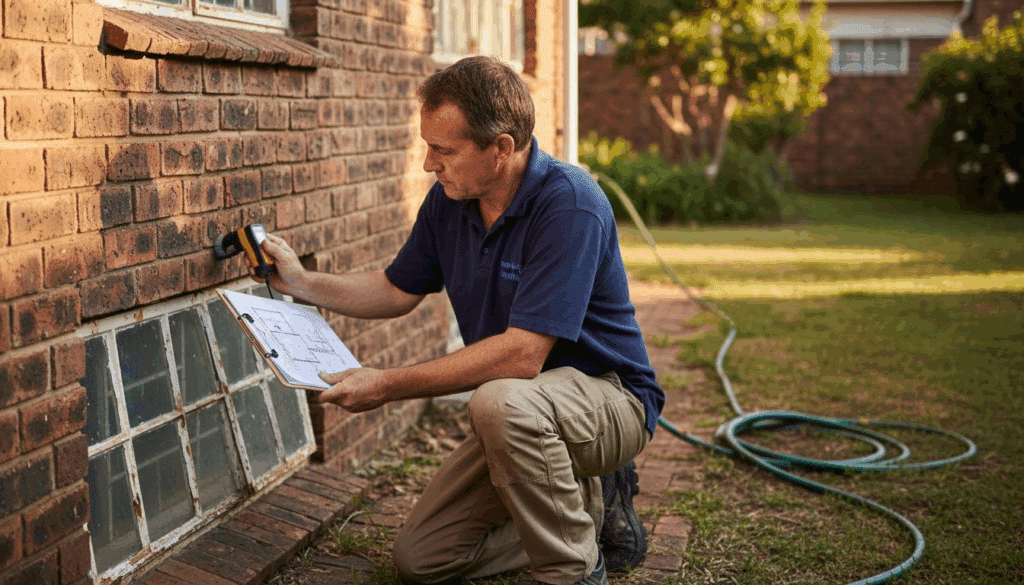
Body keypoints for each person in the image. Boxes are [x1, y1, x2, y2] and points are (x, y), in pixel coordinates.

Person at [253, 56, 664, 585]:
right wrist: (303, 284)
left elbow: (522, 355)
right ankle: (583, 510)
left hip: (608, 399)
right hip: (525, 413)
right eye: (428, 146)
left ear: (502, 149)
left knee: (498, 400)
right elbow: (395, 289)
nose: (428, 164)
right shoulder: (450, 202)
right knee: (422, 559)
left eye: (443, 150)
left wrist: (390, 384)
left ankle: (575, 570)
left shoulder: (570, 205)